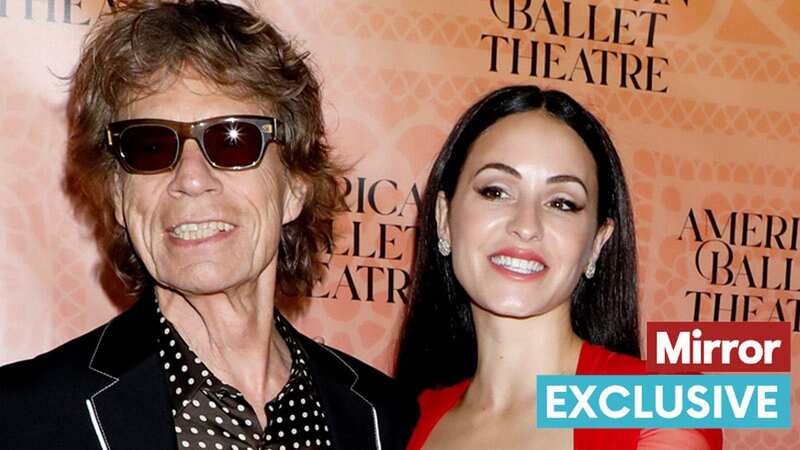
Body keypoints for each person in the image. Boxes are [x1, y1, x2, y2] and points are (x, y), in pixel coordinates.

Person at [0, 1, 417, 449]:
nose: (192, 179)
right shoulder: (22, 418)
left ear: (295, 185)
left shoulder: (384, 418)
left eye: (233, 140)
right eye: (150, 147)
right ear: (119, 196)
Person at [395, 85, 722, 450]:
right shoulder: (408, 420)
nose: (526, 225)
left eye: (562, 203)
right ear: (443, 219)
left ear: (597, 242)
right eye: (495, 191)